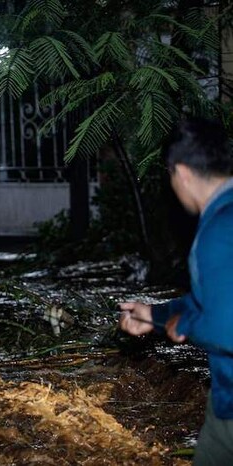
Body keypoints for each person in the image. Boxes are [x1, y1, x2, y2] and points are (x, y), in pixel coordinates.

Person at [119, 117, 233, 466]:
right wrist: (153, 316)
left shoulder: (217, 230)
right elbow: (212, 300)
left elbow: (226, 327)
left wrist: (183, 328)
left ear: (181, 173)